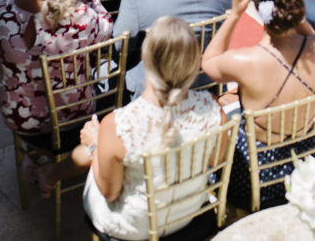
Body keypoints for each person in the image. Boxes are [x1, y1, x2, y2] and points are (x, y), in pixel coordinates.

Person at [200, 0, 315, 209]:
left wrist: (234, 15)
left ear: (259, 10)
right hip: (306, 164)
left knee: (218, 116)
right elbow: (310, 35)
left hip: (255, 177)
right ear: (300, 5)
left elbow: (207, 62)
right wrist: (298, 11)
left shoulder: (246, 61)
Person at [81, 16, 226, 240]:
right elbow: (217, 161)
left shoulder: (119, 124)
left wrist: (94, 146)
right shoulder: (212, 108)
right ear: (194, 62)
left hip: (136, 229)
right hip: (188, 215)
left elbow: (110, 193)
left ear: (145, 57)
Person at [0, 0, 112, 138]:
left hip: (19, 116)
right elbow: (106, 27)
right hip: (73, 114)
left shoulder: (2, 11)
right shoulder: (81, 16)